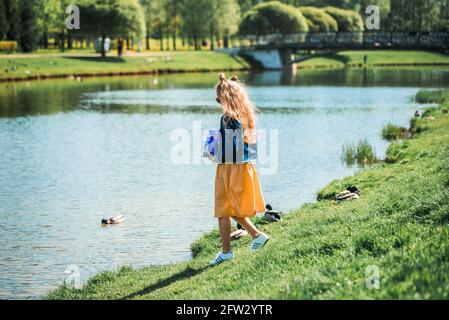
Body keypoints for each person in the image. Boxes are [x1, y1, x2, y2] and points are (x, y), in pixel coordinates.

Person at [208, 73, 269, 266]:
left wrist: (213, 148)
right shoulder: (244, 116)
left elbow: (231, 147)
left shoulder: (228, 118)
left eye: (219, 98)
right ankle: (254, 237)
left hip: (230, 168)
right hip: (238, 167)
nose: (218, 102)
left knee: (225, 208)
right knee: (225, 208)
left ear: (226, 98)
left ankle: (230, 250)